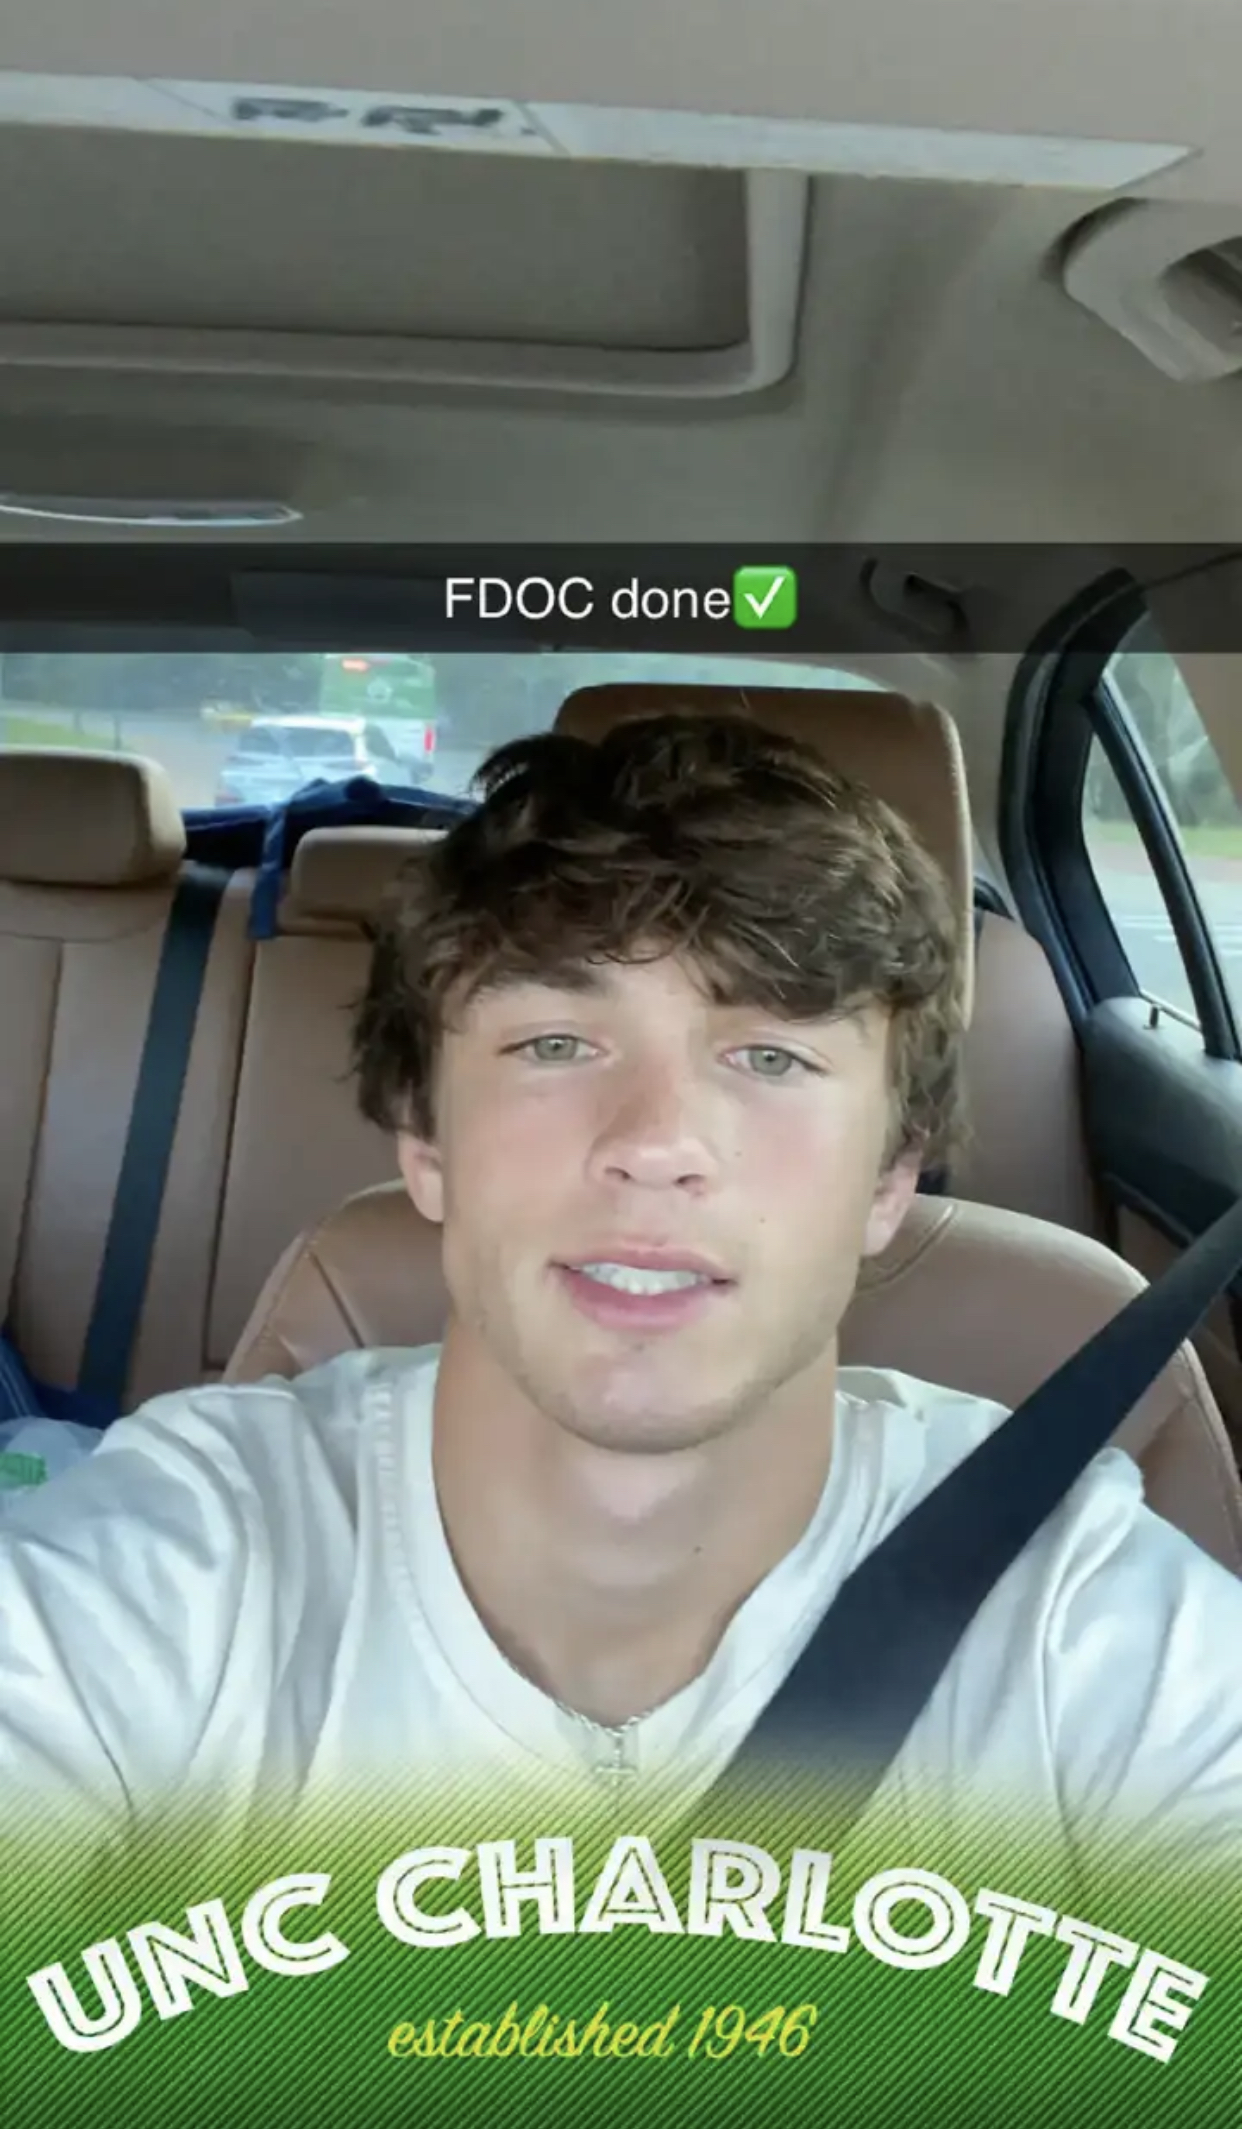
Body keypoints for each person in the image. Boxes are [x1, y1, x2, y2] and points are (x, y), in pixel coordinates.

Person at [0, 711, 1238, 1887]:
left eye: (772, 1055)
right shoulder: (181, 1565)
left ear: (889, 1178)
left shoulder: (1081, 1615)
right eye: (555, 1044)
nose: (655, 1143)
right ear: (426, 1142)